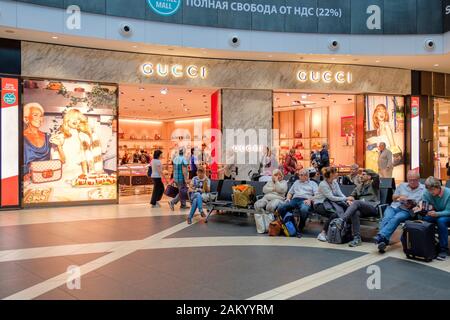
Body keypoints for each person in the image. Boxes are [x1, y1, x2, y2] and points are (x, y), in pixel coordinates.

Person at [374, 170, 425, 253]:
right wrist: (399, 196)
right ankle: (383, 240)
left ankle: (381, 237)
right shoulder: (402, 185)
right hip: (394, 206)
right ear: (407, 179)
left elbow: (421, 205)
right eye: (410, 180)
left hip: (407, 210)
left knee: (396, 218)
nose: (412, 182)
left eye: (414, 180)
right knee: (386, 217)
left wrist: (413, 205)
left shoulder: (423, 189)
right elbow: (393, 198)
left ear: (418, 179)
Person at [340, 169, 380, 247]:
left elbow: (376, 176)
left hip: (372, 207)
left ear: (369, 177)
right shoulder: (358, 186)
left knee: (356, 202)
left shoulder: (374, 185)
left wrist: (367, 171)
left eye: (363, 174)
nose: (361, 176)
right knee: (355, 213)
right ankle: (357, 238)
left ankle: (342, 220)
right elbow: (351, 196)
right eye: (361, 174)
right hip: (361, 209)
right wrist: (349, 200)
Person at [277, 168, 318, 236]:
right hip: (295, 199)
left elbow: (317, 195)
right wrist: (288, 198)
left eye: (302, 175)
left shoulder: (313, 183)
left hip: (305, 200)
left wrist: (310, 200)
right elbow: (290, 192)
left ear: (307, 176)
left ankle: (301, 224)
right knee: (281, 207)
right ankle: (287, 223)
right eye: (299, 175)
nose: (300, 176)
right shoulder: (296, 182)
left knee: (304, 209)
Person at [314, 167, 351, 242]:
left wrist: (347, 200)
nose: (337, 174)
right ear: (331, 174)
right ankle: (322, 233)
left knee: (346, 209)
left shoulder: (334, 182)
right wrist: (346, 198)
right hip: (320, 204)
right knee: (334, 214)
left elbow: (339, 193)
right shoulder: (323, 184)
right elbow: (332, 198)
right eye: (335, 172)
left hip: (330, 203)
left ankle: (345, 232)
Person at [51, 109, 87, 180]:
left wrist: (85, 173)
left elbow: (83, 158)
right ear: (67, 119)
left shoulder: (81, 136)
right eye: (74, 117)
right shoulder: (59, 136)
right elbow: (62, 161)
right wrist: (59, 146)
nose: (77, 121)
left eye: (79, 119)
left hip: (79, 174)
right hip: (65, 175)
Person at [421, 176, 450, 260]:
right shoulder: (427, 193)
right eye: (429, 190)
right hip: (436, 214)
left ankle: (443, 250)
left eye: (433, 189)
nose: (431, 192)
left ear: (439, 187)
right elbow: (424, 206)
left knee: (441, 221)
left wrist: (437, 214)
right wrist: (423, 209)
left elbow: (448, 211)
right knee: (425, 219)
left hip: (447, 215)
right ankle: (430, 245)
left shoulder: (448, 193)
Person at [23, 103, 53, 179]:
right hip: (26, 180)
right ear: (26, 119)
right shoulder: (19, 137)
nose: (40, 119)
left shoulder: (48, 136)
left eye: (41, 116)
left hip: (45, 177)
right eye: (35, 115)